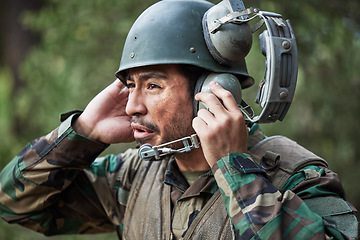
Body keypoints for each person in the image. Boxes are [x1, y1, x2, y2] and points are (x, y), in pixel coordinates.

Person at [0, 0, 358, 239]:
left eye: (153, 85)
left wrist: (235, 170)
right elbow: (13, 205)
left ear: (216, 89)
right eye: (130, 86)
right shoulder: (133, 176)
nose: (131, 106)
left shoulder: (296, 176)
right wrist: (82, 134)